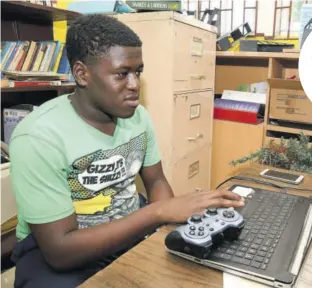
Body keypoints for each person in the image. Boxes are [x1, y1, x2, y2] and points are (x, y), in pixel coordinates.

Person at [9, 14, 244, 288]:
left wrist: (168, 226)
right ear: (82, 74)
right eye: (122, 74)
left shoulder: (138, 117)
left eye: (138, 72)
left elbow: (155, 180)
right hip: (60, 250)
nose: (134, 84)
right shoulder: (38, 136)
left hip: (131, 225)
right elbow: (60, 251)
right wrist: (160, 213)